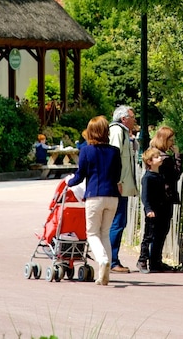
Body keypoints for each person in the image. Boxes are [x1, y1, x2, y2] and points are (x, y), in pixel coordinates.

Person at [67, 116, 122, 286]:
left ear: (90, 132)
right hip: (112, 197)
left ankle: (102, 260)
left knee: (92, 234)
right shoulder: (114, 151)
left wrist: (69, 182)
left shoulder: (86, 151)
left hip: (94, 195)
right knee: (105, 233)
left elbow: (80, 175)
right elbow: (118, 174)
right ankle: (103, 275)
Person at [108, 105, 140, 273]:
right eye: (132, 117)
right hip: (119, 186)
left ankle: (112, 260)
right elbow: (114, 156)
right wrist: (118, 181)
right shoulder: (117, 132)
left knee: (119, 222)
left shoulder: (125, 133)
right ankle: (112, 261)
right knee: (117, 223)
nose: (134, 120)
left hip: (122, 186)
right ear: (123, 119)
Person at [137, 147, 171, 274]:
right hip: (152, 211)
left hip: (162, 210)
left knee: (160, 235)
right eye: (156, 157)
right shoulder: (148, 178)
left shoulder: (160, 175)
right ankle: (142, 260)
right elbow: (145, 196)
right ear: (149, 162)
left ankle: (155, 261)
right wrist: (148, 209)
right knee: (149, 236)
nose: (160, 158)